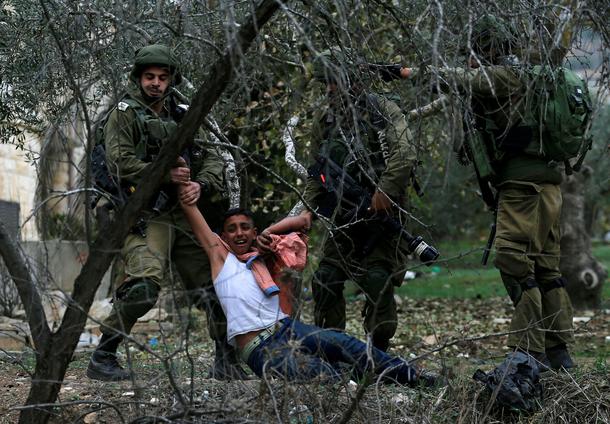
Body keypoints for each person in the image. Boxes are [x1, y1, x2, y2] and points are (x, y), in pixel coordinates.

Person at [393, 15, 575, 370]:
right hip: (547, 189)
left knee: (515, 265)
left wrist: (407, 72)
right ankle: (559, 354)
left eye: (475, 52)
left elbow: (459, 79)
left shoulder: (505, 76)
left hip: (524, 190)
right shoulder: (528, 77)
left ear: (489, 49)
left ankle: (528, 354)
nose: (470, 60)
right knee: (546, 270)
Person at [87, 44, 243, 381]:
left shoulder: (184, 112)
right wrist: (163, 173)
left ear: (171, 80)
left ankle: (225, 358)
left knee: (215, 283)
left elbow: (212, 155)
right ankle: (103, 356)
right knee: (144, 286)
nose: (155, 83)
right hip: (143, 212)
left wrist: (199, 183)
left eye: (162, 77)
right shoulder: (124, 113)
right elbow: (118, 161)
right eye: (149, 77)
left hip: (183, 211)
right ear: (139, 78)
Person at [179, 196, 439, 387]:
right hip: (260, 347)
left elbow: (302, 221)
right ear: (223, 236)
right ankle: (354, 383)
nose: (239, 233)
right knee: (323, 374)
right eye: (232, 229)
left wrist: (271, 232)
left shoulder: (262, 258)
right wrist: (188, 194)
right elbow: (197, 221)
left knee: (347, 344)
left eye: (245, 227)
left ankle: (415, 378)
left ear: (254, 232)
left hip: (286, 327)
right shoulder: (222, 261)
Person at [299, 47, 420, 352]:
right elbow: (318, 171)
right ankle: (333, 350)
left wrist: (384, 192)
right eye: (326, 83)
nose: (330, 90)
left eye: (335, 82)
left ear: (353, 80)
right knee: (325, 279)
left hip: (383, 217)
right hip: (344, 217)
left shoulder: (384, 111)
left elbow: (404, 156)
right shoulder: (325, 121)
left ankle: (378, 352)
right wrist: (307, 212)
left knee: (378, 280)